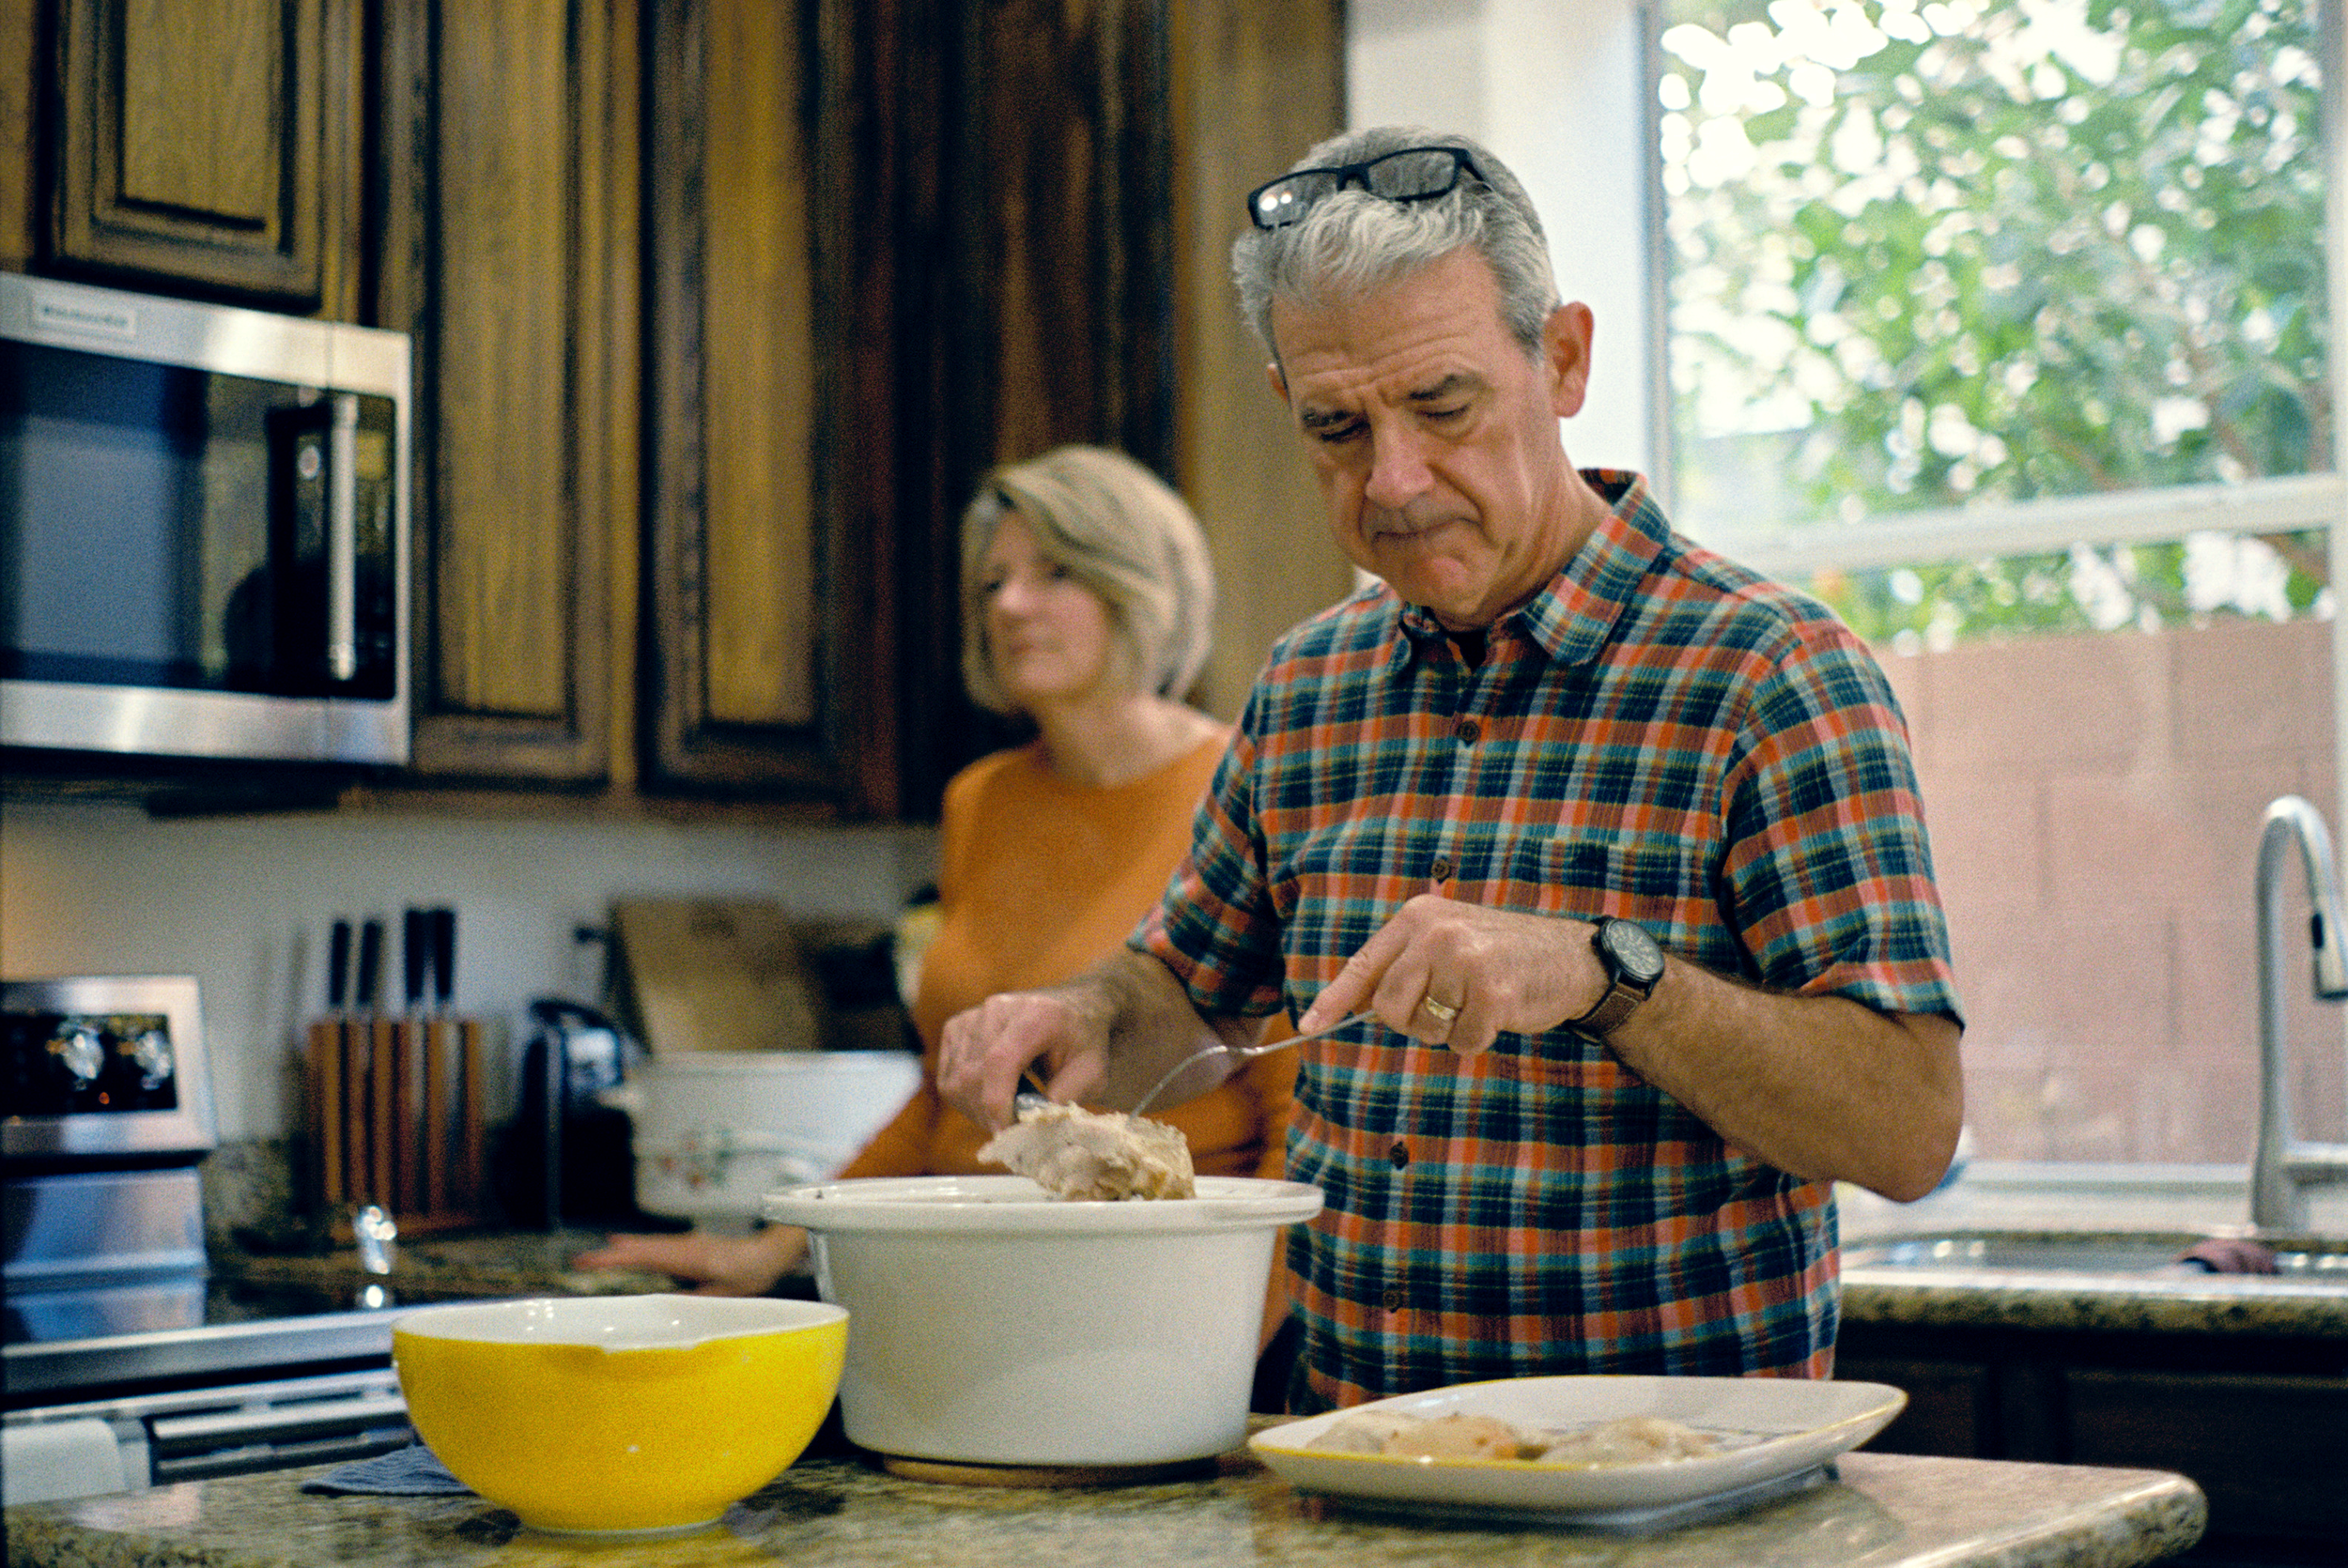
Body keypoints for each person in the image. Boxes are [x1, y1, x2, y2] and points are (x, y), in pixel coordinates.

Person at [936, 128, 1966, 1414]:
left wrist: (1604, 974)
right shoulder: (1311, 686)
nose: (1397, 480)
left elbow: (1911, 1125)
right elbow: (1188, 1002)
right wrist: (1084, 1013)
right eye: (1338, 426)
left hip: (1673, 1504)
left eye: (1443, 405)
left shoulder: (1768, 676)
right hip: (1355, 1475)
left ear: (1566, 357)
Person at [577, 445, 1295, 1298]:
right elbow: (942, 1100)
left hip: (1156, 1290)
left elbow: (1296, 1114)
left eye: (1054, 572)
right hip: (958, 1275)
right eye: (993, 583)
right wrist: (778, 1246)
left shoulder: (1243, 790)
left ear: (1141, 587)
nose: (1011, 605)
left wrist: (1238, 1340)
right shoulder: (981, 802)